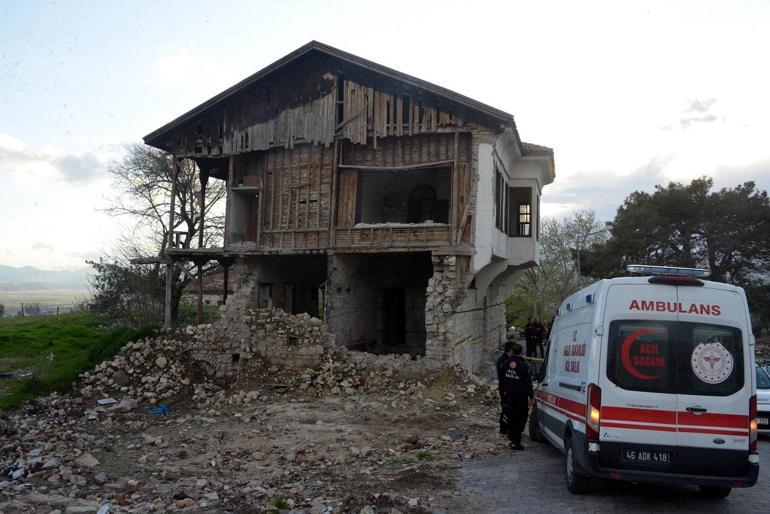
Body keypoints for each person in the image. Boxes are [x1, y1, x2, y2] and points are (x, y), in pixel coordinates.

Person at [500, 343, 534, 450]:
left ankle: (512, 437)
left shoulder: (505, 363)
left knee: (511, 417)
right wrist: (531, 397)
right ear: (521, 352)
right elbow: (528, 383)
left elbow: (502, 380)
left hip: (509, 396)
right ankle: (516, 442)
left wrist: (503, 394)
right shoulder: (524, 365)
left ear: (512, 351)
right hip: (520, 397)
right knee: (520, 419)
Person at [496, 342, 515, 435]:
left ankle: (509, 427)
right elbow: (504, 376)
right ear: (511, 350)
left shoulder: (509, 360)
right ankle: (503, 429)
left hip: (509, 388)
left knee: (511, 408)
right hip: (505, 388)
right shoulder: (502, 361)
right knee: (505, 408)